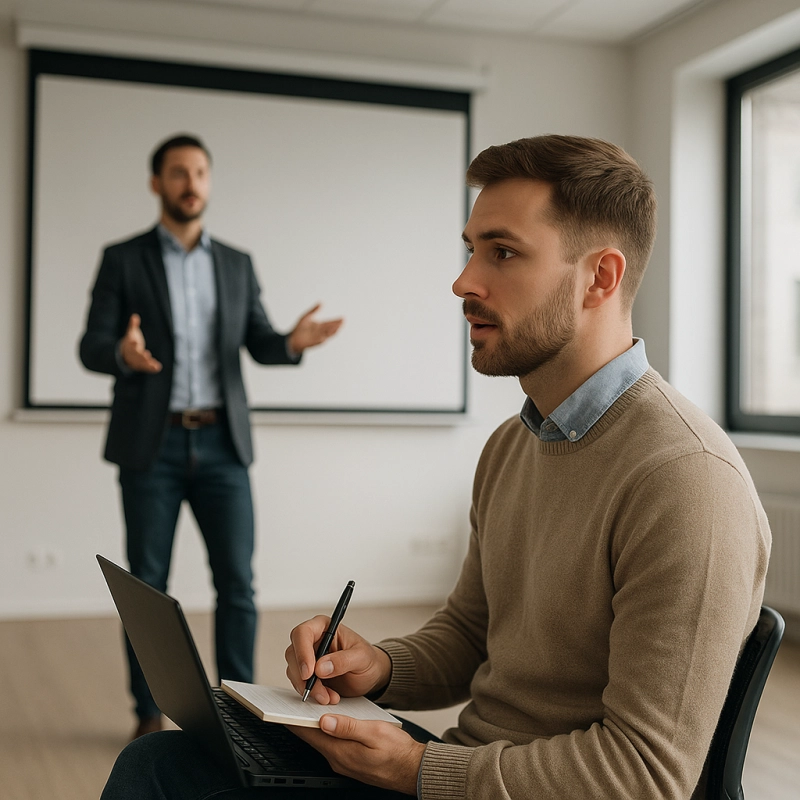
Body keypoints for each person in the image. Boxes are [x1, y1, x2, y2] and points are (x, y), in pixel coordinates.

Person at [100, 134, 770, 799]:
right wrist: (378, 665)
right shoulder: (513, 447)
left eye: (502, 252)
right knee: (167, 761)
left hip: (479, 781)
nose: (463, 281)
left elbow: (644, 777)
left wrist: (413, 770)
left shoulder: (686, 481)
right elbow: (471, 634)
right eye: (471, 249)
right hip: (463, 771)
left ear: (601, 277)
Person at [80, 134, 343, 740]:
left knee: (237, 583)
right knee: (147, 585)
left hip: (224, 445)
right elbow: (91, 345)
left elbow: (258, 340)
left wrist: (291, 344)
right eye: (178, 172)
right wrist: (121, 352)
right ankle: (148, 713)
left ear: (208, 182)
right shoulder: (123, 260)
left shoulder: (235, 263)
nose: (191, 183)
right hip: (153, 445)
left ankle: (234, 709)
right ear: (157, 183)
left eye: (200, 172)